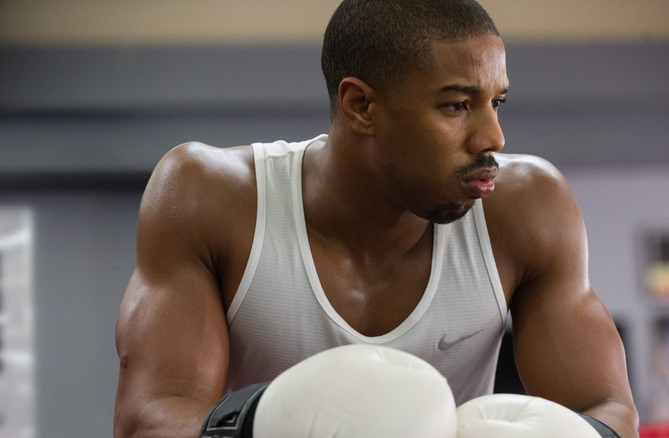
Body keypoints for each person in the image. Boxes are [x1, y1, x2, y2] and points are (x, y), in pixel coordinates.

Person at [113, 0, 640, 437]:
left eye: (496, 102)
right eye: (457, 106)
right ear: (360, 105)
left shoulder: (525, 208)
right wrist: (267, 422)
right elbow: (145, 420)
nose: (493, 139)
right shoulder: (211, 196)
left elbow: (610, 408)